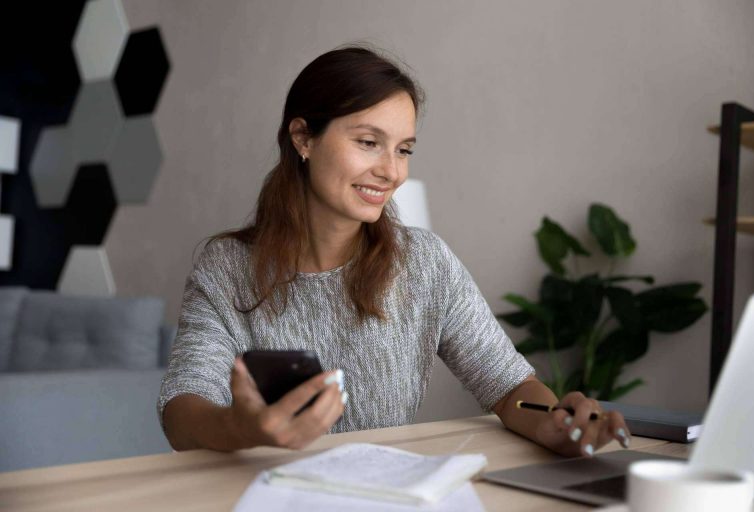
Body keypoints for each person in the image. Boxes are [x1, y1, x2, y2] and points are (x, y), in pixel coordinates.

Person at [158, 45, 630, 457]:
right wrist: (238, 428)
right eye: (368, 143)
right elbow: (182, 409)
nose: (391, 171)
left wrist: (554, 422)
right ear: (303, 137)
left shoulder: (423, 262)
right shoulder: (225, 267)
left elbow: (508, 386)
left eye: (403, 150)